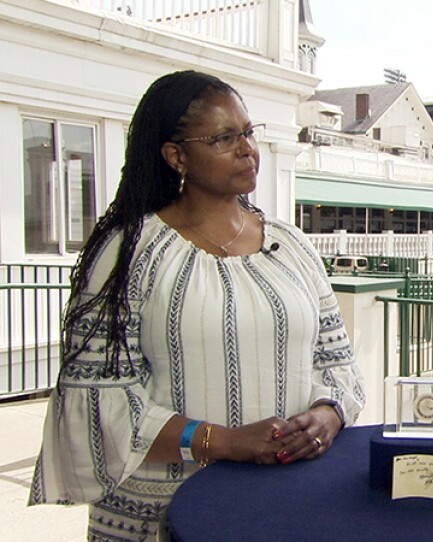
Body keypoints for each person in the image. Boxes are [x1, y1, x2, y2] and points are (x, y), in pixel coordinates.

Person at [28, 70, 366, 541]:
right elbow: (98, 402)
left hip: (282, 501)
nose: (247, 149)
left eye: (247, 132)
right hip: (162, 513)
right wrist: (224, 443)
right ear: (176, 155)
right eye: (224, 138)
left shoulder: (292, 247)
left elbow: (337, 363)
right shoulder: (128, 253)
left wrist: (328, 415)